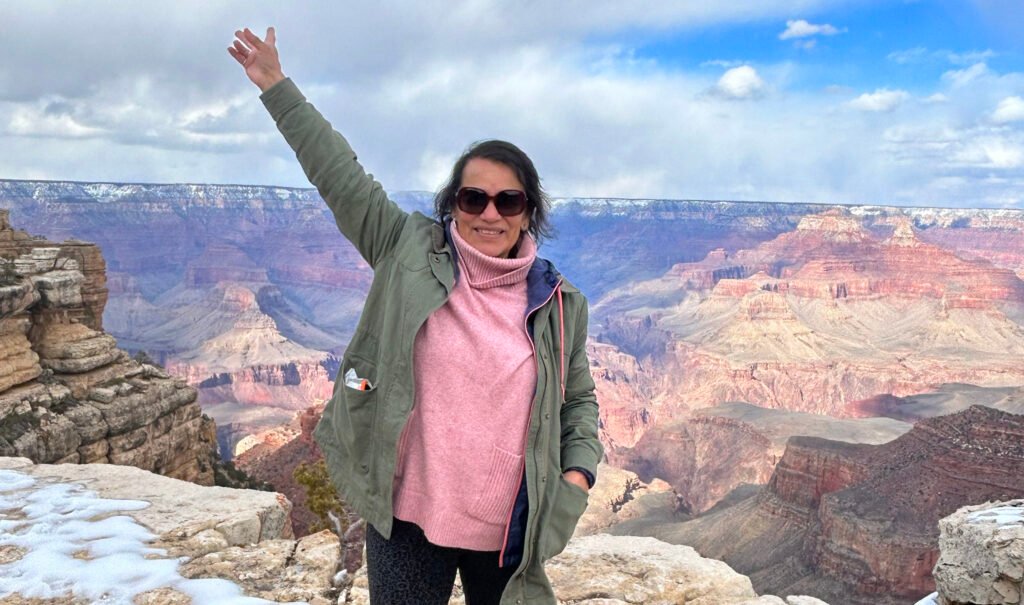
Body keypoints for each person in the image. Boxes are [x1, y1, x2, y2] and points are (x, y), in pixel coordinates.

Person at [228, 27, 602, 605]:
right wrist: (276, 85)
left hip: (510, 526)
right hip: (408, 517)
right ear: (453, 204)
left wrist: (578, 476)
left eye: (508, 200)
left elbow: (578, 401)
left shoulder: (559, 302)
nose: (490, 214)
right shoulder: (404, 249)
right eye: (474, 198)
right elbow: (340, 176)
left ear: (529, 211)